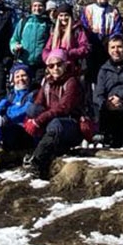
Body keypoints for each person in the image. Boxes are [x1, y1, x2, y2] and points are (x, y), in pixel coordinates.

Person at [23, 49, 95, 180]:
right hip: (51, 121)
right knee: (32, 109)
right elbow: (38, 103)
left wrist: (38, 121)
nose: (55, 68)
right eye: (51, 66)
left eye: (59, 64)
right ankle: (38, 149)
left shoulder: (72, 82)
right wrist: (30, 120)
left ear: (66, 64)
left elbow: (64, 108)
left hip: (71, 123)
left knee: (55, 124)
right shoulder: (47, 82)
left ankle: (37, 160)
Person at [81, 0, 123, 94]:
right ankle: (89, 101)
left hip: (107, 47)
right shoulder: (88, 9)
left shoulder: (114, 11)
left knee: (107, 76)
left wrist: (112, 41)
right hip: (91, 46)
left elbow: (117, 29)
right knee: (89, 77)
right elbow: (84, 28)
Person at [11, 0, 53, 74]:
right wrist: (14, 47)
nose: (37, 8)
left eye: (40, 6)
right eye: (35, 6)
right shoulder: (23, 22)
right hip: (23, 63)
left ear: (44, 8)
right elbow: (14, 39)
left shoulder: (48, 24)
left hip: (41, 64)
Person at [43, 4, 91, 70]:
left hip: (71, 66)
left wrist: (68, 53)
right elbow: (47, 48)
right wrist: (47, 57)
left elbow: (85, 47)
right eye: (61, 15)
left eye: (66, 15)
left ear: (70, 16)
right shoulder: (55, 31)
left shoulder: (78, 30)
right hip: (55, 67)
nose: (63, 18)